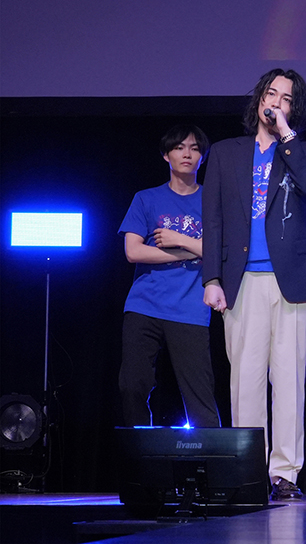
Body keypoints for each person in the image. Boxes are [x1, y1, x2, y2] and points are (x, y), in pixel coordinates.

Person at [202, 68, 306, 501]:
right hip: (242, 281)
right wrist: (212, 278)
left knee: (290, 381)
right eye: (270, 94)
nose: (275, 102)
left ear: (295, 108)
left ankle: (285, 473)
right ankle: (248, 470)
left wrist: (286, 136)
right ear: (258, 99)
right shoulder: (225, 153)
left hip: (293, 281)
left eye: (285, 98)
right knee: (246, 380)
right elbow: (213, 219)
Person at [118, 124, 220, 429]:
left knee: (200, 397)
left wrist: (179, 239)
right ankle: (141, 451)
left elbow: (222, 250)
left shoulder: (213, 201)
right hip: (144, 304)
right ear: (166, 155)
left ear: (202, 157)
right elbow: (133, 251)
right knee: (132, 385)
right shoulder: (146, 199)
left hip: (191, 308)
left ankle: (211, 457)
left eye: (195, 149)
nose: (187, 154)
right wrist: (189, 251)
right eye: (179, 148)